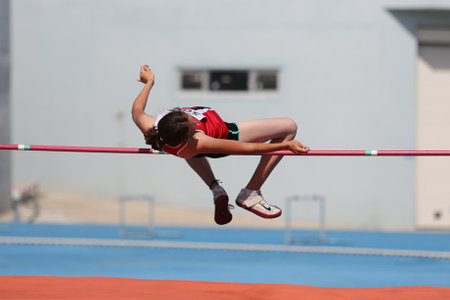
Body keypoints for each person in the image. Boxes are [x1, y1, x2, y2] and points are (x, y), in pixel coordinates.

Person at [132, 65, 309, 225]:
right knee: (288, 127)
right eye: (192, 123)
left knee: (190, 153)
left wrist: (149, 82)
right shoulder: (199, 141)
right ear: (189, 136)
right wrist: (285, 146)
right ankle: (251, 193)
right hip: (228, 136)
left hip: (189, 152)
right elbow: (249, 149)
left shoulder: (150, 126)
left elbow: (137, 109)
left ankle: (216, 189)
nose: (192, 118)